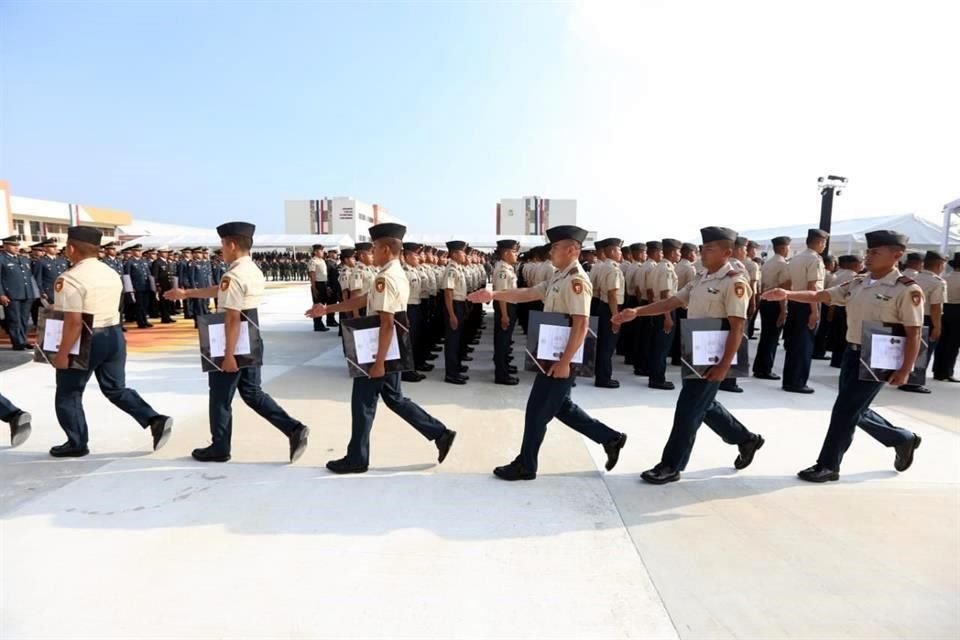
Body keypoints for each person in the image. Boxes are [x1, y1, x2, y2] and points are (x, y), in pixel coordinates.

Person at [467, 225, 628, 481]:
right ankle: (611, 438)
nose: (551, 251)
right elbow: (528, 293)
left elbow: (581, 324)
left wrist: (565, 362)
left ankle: (526, 465)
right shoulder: (559, 275)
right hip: (552, 353)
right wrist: (494, 293)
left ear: (572, 250)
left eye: (555, 247)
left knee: (537, 410)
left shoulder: (576, 279)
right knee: (562, 408)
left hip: (563, 356)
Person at [763, 230, 923, 482]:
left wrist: (906, 369)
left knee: (844, 411)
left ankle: (828, 465)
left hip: (880, 354)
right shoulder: (859, 282)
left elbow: (914, 333)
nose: (868, 256)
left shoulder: (906, 289)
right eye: (868, 251)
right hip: (852, 351)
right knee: (854, 409)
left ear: (896, 255)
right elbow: (821, 295)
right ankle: (902, 438)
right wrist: (788, 294)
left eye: (875, 252)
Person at [614, 227, 764, 485]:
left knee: (688, 409)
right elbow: (671, 302)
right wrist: (637, 311)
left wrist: (723, 366)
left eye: (710, 249)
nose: (704, 253)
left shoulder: (735, 282)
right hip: (696, 348)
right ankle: (746, 438)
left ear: (727, 252)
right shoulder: (701, 279)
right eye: (703, 248)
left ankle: (671, 465)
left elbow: (738, 327)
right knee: (702, 406)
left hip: (714, 355)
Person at [305, 223, 457, 474]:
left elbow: (386, 324)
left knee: (362, 403)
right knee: (395, 399)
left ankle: (357, 458)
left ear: (385, 248)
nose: (371, 252)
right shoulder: (391, 272)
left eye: (374, 247)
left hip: (380, 348)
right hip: (389, 347)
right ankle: (440, 433)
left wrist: (378, 363)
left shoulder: (386, 277)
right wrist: (327, 309)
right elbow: (364, 300)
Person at [164, 222, 310, 463]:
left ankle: (219, 447)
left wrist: (228, 354)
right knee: (252, 392)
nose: (221, 250)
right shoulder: (251, 269)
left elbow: (231, 317)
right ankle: (293, 428)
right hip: (251, 333)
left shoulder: (232, 274)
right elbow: (222, 292)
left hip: (235, 338)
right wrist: (188, 293)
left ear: (232, 245)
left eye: (222, 245)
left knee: (220, 396)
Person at [49, 226, 173, 457]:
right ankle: (154, 419)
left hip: (87, 338)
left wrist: (63, 354)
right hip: (113, 335)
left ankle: (76, 442)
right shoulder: (110, 273)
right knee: (116, 388)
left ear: (71, 248)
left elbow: (74, 322)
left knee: (68, 392)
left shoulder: (70, 278)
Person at [781, 228, 829, 394]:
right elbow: (812, 287)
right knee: (804, 345)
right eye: (823, 243)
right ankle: (797, 382)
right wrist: (815, 312)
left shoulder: (796, 258)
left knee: (794, 344)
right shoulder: (814, 260)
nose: (824, 246)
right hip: (808, 303)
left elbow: (788, 283)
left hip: (795, 301)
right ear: (819, 242)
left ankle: (789, 380)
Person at [899, 251, 947, 393]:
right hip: (926, 319)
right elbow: (936, 307)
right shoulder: (937, 282)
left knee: (908, 349)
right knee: (923, 351)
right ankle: (913, 382)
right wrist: (937, 327)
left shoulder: (912, 278)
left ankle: (904, 377)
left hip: (908, 317)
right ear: (939, 264)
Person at [753, 236, 791, 379]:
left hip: (765, 300)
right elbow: (782, 288)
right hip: (775, 302)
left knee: (765, 336)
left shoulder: (768, 263)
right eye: (788, 247)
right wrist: (783, 310)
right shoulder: (783, 265)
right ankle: (765, 369)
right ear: (783, 248)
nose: (789, 250)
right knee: (772, 337)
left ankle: (759, 367)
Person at [647, 238, 682, 390]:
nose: (679, 254)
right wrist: (667, 317)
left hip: (657, 309)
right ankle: (657, 379)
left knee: (657, 346)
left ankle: (655, 376)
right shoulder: (666, 269)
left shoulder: (656, 267)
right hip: (664, 310)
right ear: (673, 252)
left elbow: (649, 292)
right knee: (662, 347)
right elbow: (665, 294)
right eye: (678, 251)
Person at [594, 238, 624, 388]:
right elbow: (612, 294)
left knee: (603, 344)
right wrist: (616, 317)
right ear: (612, 251)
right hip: (610, 308)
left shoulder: (603, 267)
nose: (621, 253)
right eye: (619, 250)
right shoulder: (612, 268)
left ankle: (602, 374)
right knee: (607, 345)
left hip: (603, 306)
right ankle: (604, 378)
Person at [1, 235, 38, 350]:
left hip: (26, 294)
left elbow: (28, 277)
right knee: (14, 319)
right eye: (13, 245)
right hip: (11, 295)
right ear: (5, 246)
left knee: (24, 319)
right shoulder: (1, 259)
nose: (16, 248)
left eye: (17, 245)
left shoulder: (23, 259)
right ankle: (18, 342)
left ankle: (23, 339)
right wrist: (1, 294)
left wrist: (33, 293)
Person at [492, 239, 520, 385]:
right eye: (515, 252)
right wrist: (504, 315)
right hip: (505, 307)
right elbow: (501, 294)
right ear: (506, 252)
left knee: (505, 340)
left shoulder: (507, 268)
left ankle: (505, 368)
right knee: (502, 342)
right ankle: (501, 375)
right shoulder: (503, 270)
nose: (517, 255)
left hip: (509, 306)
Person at [827, 255, 862, 368]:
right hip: (846, 308)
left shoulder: (839, 274)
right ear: (852, 264)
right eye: (859, 263)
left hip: (836, 306)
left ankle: (835, 360)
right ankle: (840, 361)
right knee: (845, 336)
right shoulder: (853, 276)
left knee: (838, 335)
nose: (861, 266)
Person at [442, 240, 469, 384]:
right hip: (454, 306)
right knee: (452, 340)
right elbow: (448, 293)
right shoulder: (451, 269)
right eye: (462, 252)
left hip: (460, 304)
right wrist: (452, 314)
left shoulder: (457, 268)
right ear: (454, 253)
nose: (464, 254)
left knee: (457, 339)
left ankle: (456, 367)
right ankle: (451, 374)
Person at [400, 242, 426, 383]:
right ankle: (407, 372)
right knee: (408, 341)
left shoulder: (414, 270)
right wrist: (404, 314)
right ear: (407, 256)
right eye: (416, 254)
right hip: (408, 308)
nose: (418, 257)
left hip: (416, 306)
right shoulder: (404, 272)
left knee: (415, 339)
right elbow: (402, 295)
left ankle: (413, 367)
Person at [933, 253, 960, 382]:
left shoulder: (945, 278)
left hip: (945, 309)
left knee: (941, 342)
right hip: (958, 310)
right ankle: (947, 371)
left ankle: (937, 370)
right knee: (953, 344)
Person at [124, 244, 154, 328]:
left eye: (140, 251)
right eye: (137, 251)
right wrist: (131, 287)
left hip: (146, 286)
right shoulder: (130, 262)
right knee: (139, 305)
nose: (139, 252)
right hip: (137, 287)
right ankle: (140, 322)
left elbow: (148, 273)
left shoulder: (144, 261)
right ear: (133, 252)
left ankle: (145, 320)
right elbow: (127, 276)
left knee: (145, 304)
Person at [307, 244, 330, 332]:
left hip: (323, 284)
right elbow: (312, 275)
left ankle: (320, 323)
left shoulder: (322, 261)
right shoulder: (313, 261)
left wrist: (327, 286)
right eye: (320, 250)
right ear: (315, 252)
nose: (322, 252)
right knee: (317, 304)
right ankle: (317, 324)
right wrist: (314, 288)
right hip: (317, 284)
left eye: (322, 250)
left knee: (322, 304)